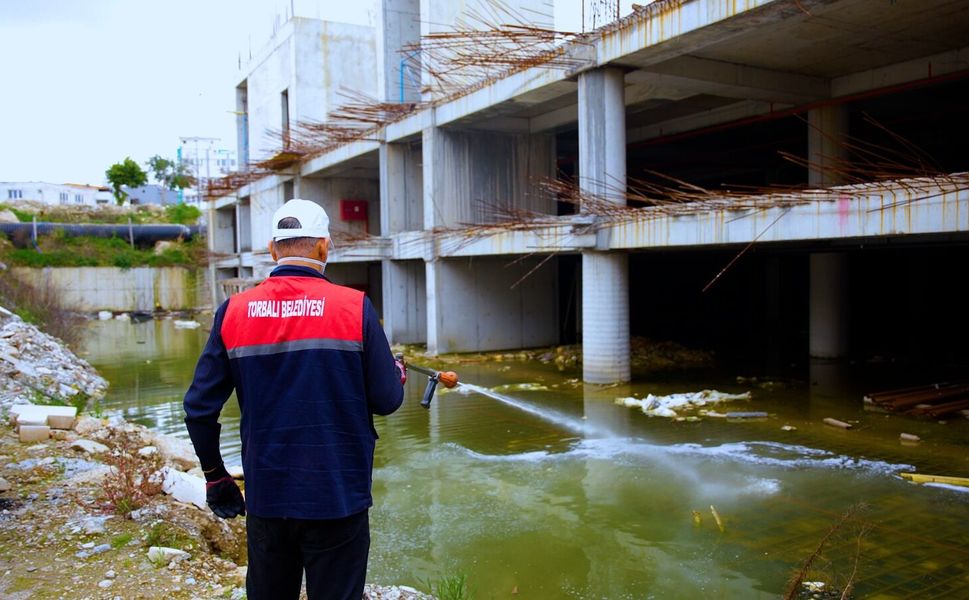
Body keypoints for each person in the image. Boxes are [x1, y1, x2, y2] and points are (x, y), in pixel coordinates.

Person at [183, 198, 406, 600]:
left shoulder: (233, 311)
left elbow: (199, 409)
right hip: (338, 498)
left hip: (268, 499)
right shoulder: (354, 308)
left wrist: (216, 477)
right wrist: (398, 373)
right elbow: (387, 399)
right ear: (324, 247)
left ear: (272, 249)